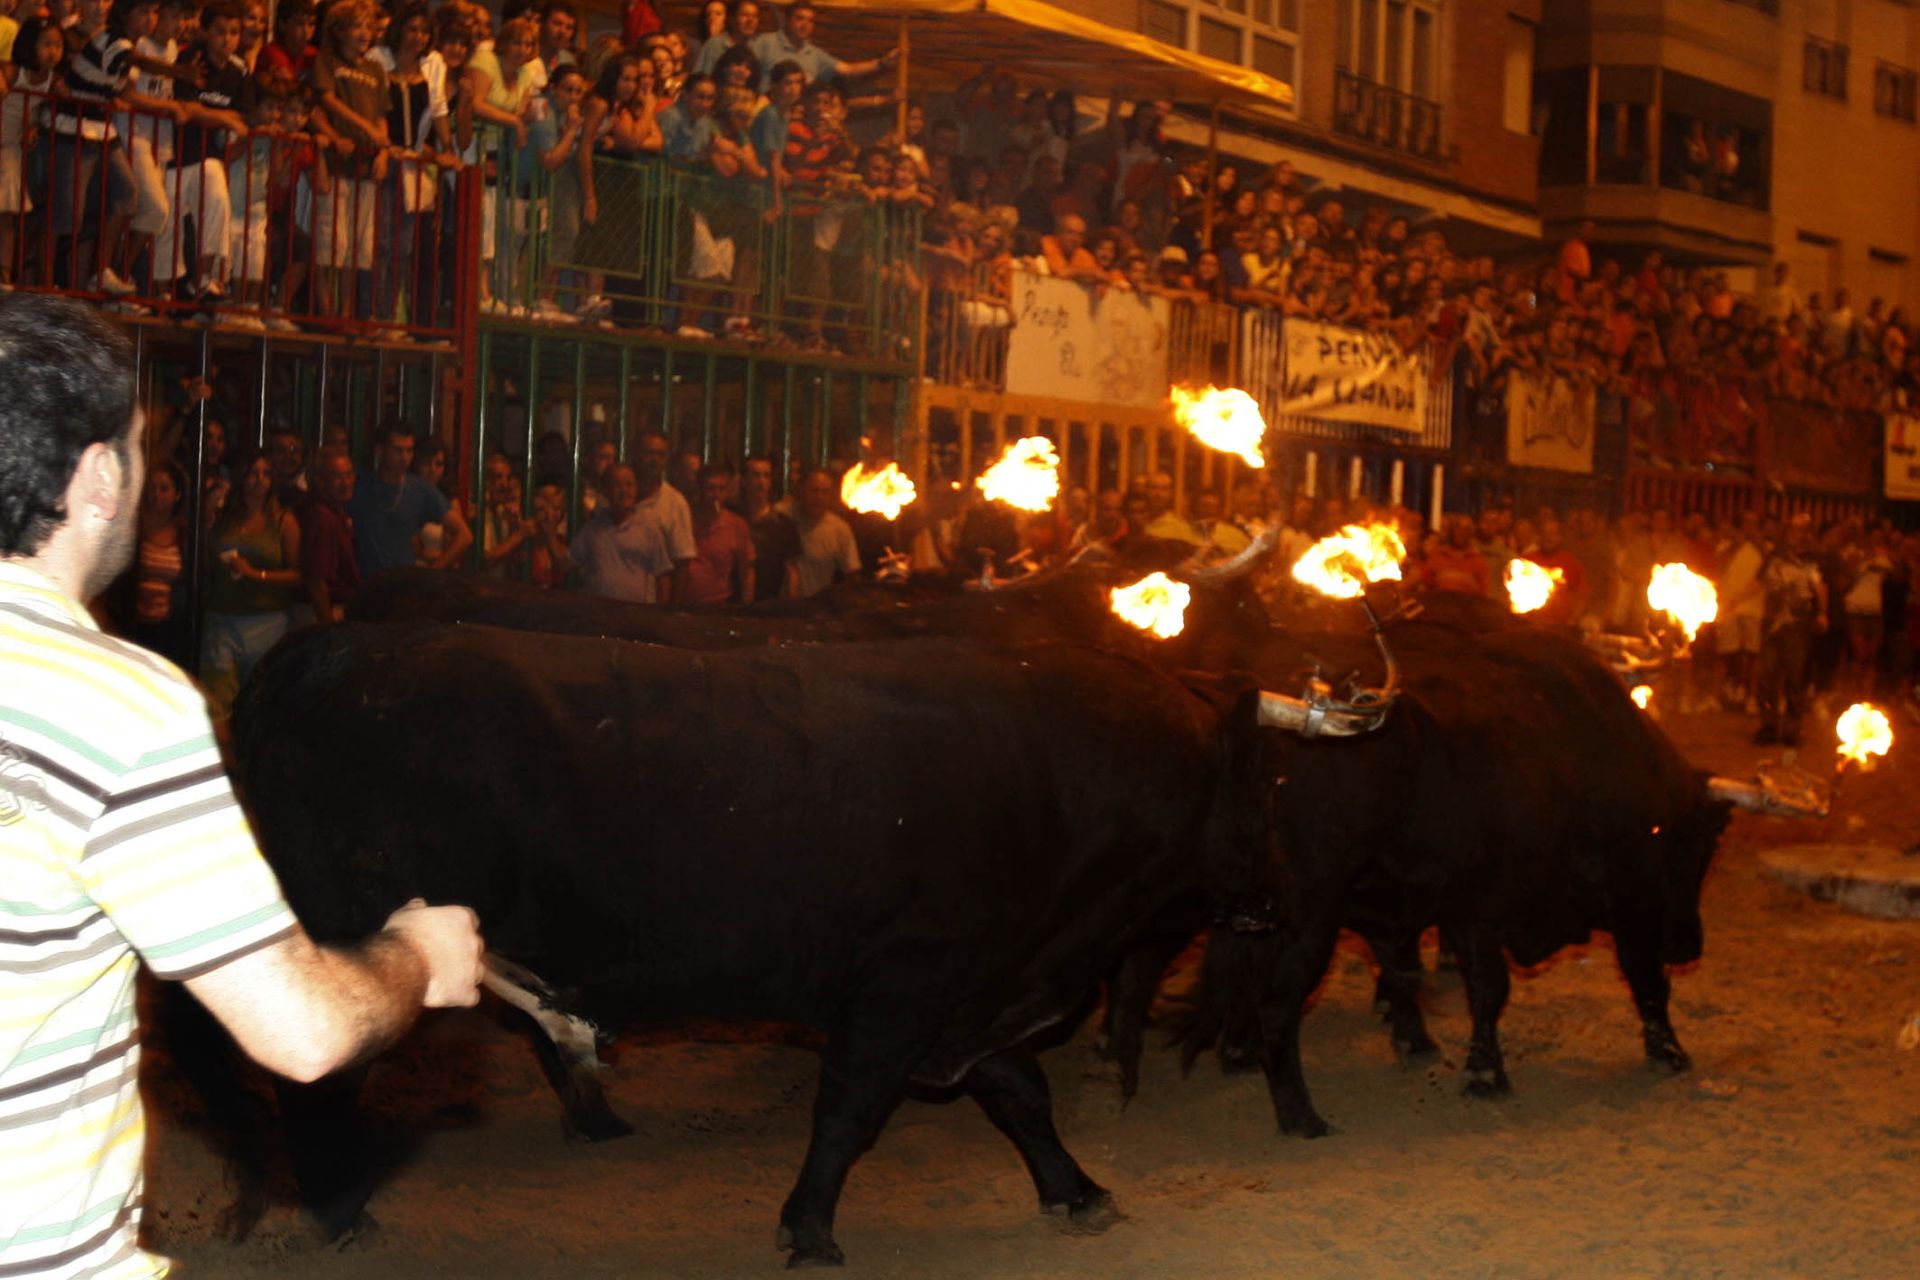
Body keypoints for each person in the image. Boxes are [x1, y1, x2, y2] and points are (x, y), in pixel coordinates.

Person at [0, 293, 483, 1280]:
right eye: (142, 449)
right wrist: (415, 957)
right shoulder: (117, 705)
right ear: (101, 476)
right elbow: (302, 1030)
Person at [200, 450, 301, 718]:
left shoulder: (283, 521)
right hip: (223, 618)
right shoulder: (224, 517)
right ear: (241, 477)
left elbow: (297, 574)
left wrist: (256, 574)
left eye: (266, 473)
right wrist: (208, 515)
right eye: (253, 473)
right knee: (218, 701)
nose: (259, 480)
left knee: (260, 703)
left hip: (267, 621)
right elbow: (203, 558)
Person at [556, 431, 695, 602]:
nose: (654, 460)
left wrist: (669, 611)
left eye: (660, 455)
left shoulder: (674, 505)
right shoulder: (597, 522)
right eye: (649, 453)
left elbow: (679, 566)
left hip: (641, 610)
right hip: (598, 610)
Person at [347, 421, 472, 573]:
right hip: (367, 580)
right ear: (379, 451)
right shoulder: (360, 485)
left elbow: (464, 534)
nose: (404, 457)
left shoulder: (420, 489)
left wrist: (434, 570)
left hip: (403, 580)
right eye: (398, 450)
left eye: (409, 451)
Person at [1754, 514, 1827, 746]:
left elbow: (1820, 587)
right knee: (1767, 676)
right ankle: (1769, 726)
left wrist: (1822, 613)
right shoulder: (1773, 557)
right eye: (1793, 531)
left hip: (1797, 623)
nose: (1796, 535)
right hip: (1772, 622)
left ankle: (1792, 729)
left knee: (1796, 678)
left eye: (1801, 531)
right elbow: (1759, 584)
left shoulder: (1812, 560)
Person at [686, 461, 754, 603]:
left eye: (721, 489)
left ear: (728, 492)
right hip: (684, 602)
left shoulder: (736, 525)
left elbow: (746, 572)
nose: (715, 494)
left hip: (719, 603)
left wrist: (746, 607)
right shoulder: (685, 520)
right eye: (710, 488)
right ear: (700, 488)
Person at [785, 466, 857, 597]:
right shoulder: (784, 516)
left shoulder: (839, 529)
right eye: (814, 490)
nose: (819, 497)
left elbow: (852, 574)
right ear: (803, 490)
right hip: (780, 605)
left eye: (825, 492)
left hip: (816, 605)